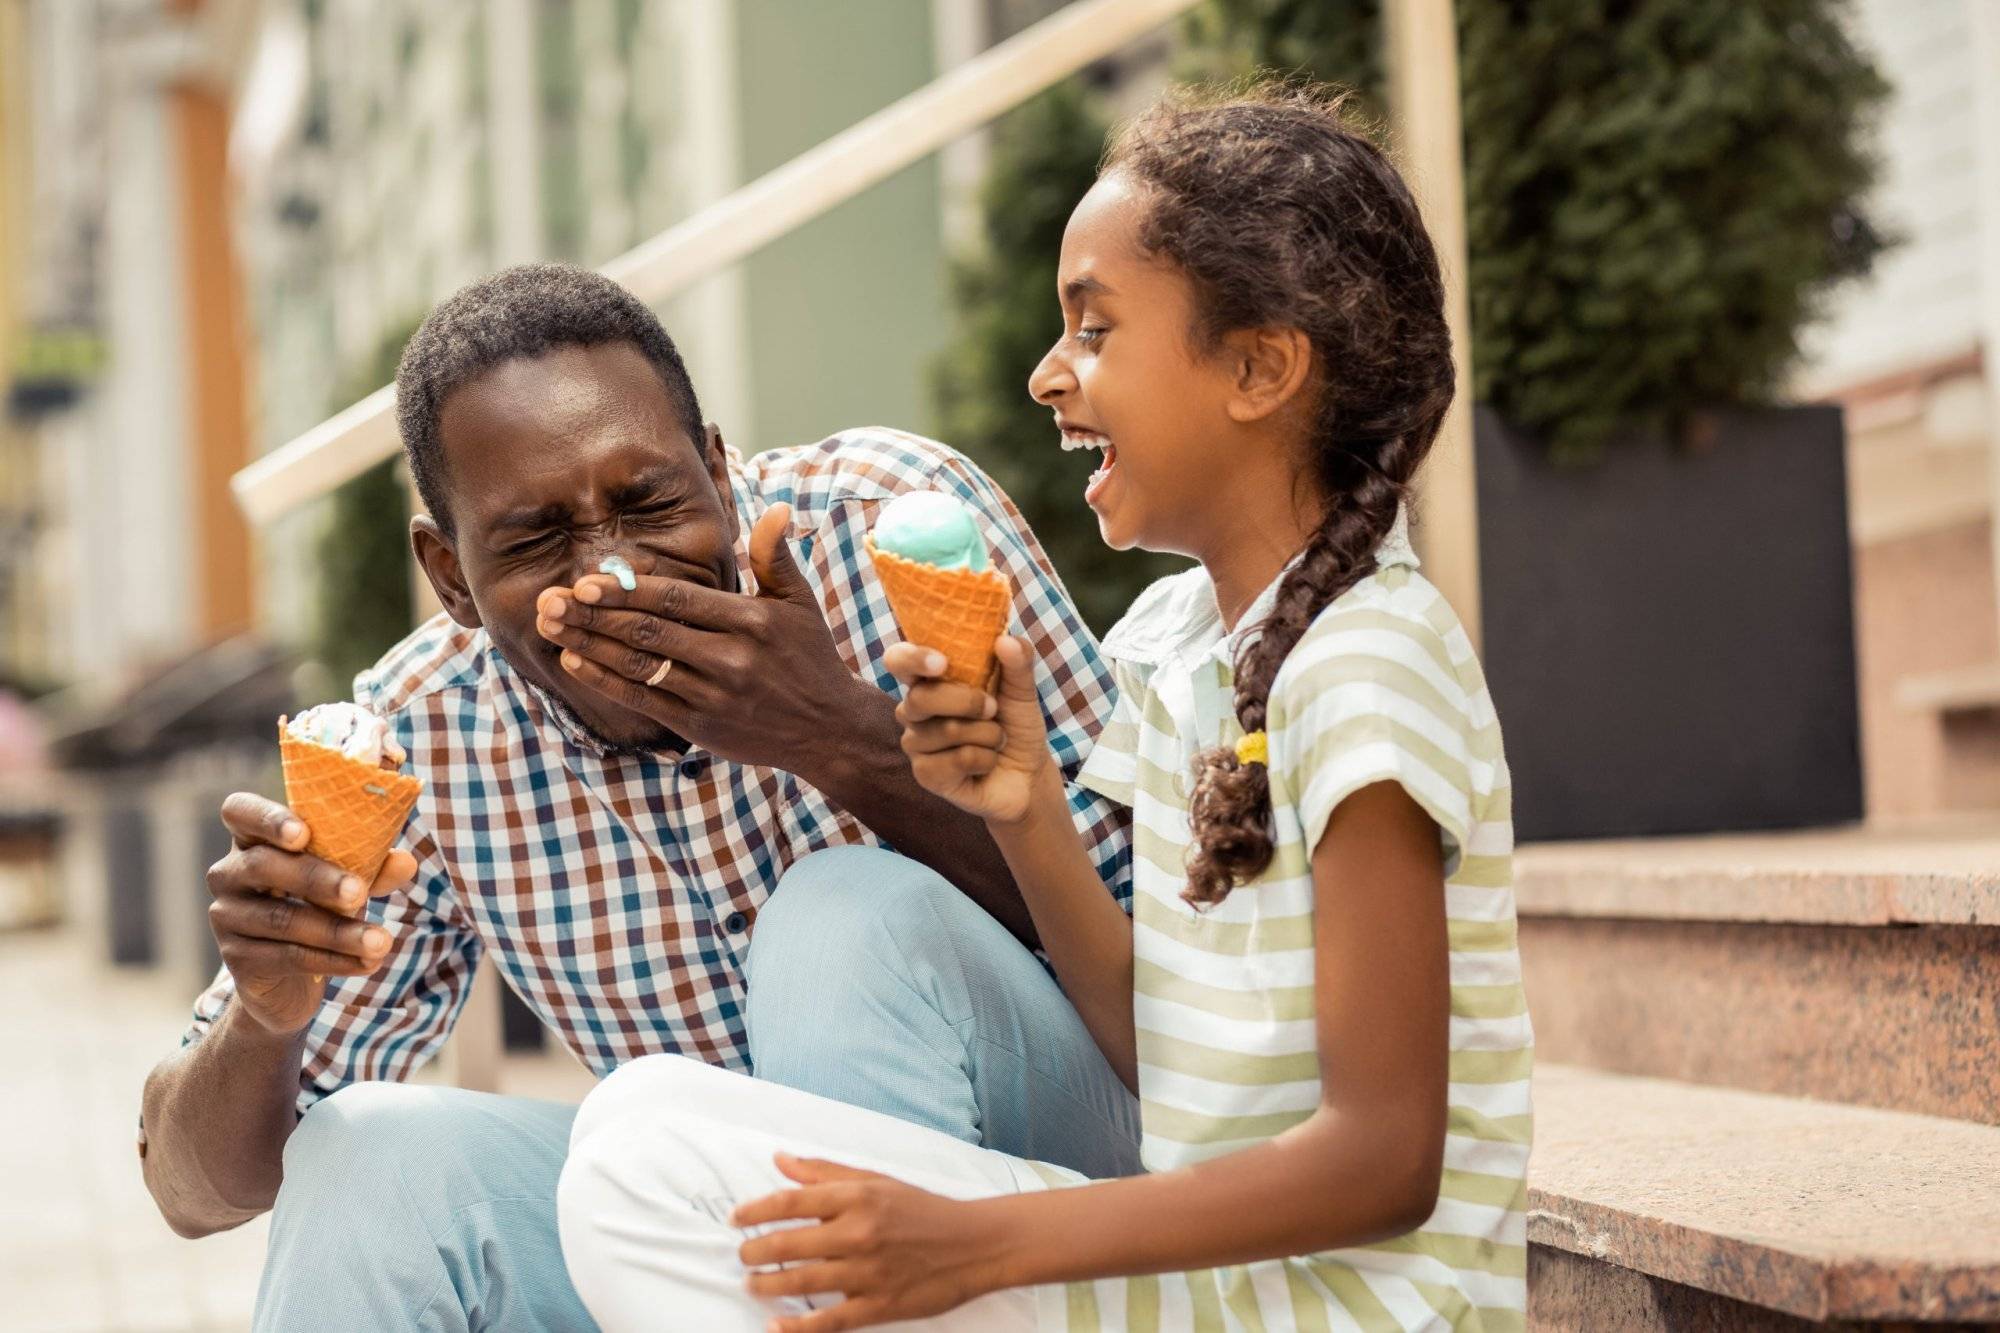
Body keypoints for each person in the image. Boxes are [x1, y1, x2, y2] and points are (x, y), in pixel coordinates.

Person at [558, 81, 1533, 1332]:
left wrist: (978, 1245)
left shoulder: (1368, 666)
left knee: (649, 1177)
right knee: (636, 1120)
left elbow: (1383, 1159)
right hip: (1202, 1289)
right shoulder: (1179, 644)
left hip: (1322, 1312)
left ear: (1257, 366)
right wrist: (1021, 813)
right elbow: (1160, 1057)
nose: (1045, 373)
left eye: (1093, 328)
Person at [138, 263, 1140, 1331]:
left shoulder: (885, 524)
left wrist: (837, 739)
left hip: (1062, 1187)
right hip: (720, 1246)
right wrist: (266, 1010)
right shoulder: (423, 735)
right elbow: (192, 1193)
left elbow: (1170, 960)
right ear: (448, 576)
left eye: (646, 501)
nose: (608, 572)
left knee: (843, 914)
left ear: (717, 466)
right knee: (367, 1157)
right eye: (533, 539)